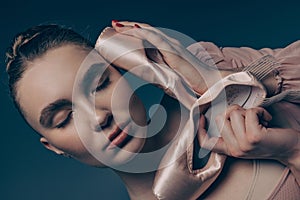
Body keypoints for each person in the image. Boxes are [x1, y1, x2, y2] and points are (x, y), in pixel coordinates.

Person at [5, 20, 300, 199]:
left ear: (124, 71)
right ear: (55, 147)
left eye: (99, 85)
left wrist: (213, 80)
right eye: (64, 118)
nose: (98, 116)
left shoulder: (220, 74)